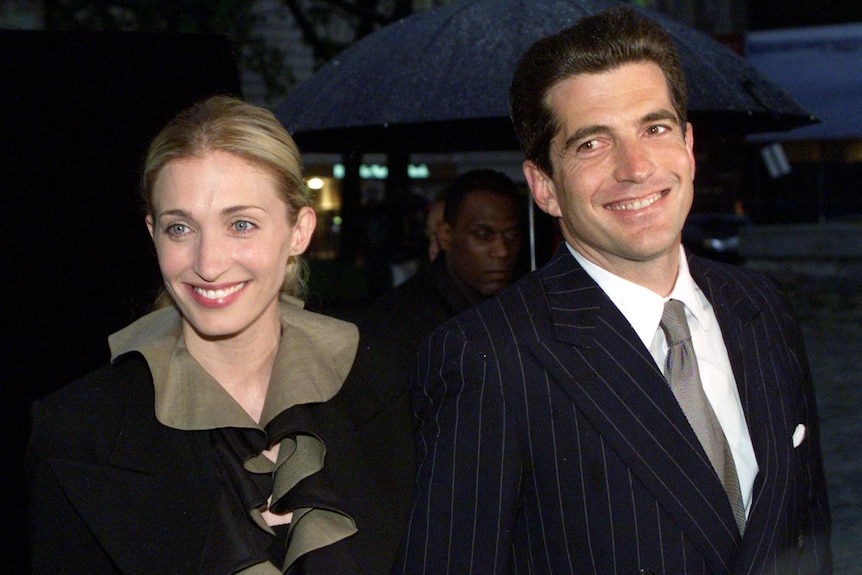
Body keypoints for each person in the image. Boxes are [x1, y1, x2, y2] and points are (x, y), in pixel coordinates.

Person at [396, 6, 831, 575]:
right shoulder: (488, 359)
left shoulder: (762, 308)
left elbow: (808, 532)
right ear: (545, 187)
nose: (636, 167)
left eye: (654, 128)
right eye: (592, 144)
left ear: (689, 145)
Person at [26, 96, 415, 575]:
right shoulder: (78, 431)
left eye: (241, 224)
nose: (208, 264)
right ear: (153, 234)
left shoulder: (398, 391)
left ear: (299, 231)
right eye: (180, 228)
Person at [360, 169, 523, 386]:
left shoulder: (524, 308)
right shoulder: (399, 321)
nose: (502, 250)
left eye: (512, 235)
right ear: (445, 236)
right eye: (483, 234)